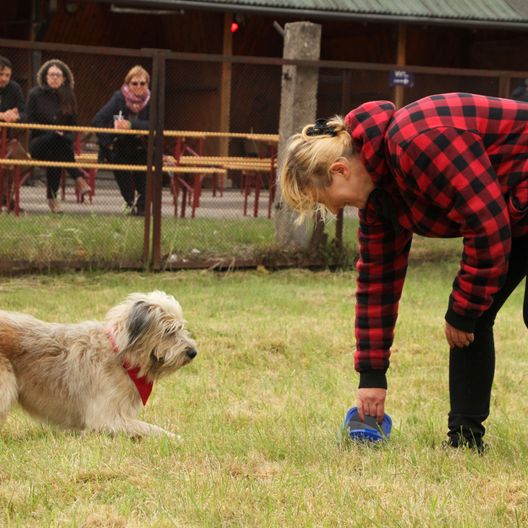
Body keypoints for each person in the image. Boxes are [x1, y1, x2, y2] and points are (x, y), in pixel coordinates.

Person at [280, 93, 528, 451]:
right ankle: (465, 442)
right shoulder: (380, 196)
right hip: (516, 210)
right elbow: (377, 283)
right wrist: (372, 377)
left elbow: (486, 225)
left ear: (340, 170)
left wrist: (462, 308)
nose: (333, 211)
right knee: (473, 317)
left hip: (508, 212)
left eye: (324, 200)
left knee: (471, 313)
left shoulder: (417, 141)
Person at [26, 59, 91, 213]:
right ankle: (78, 178)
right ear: (45, 77)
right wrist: (53, 133)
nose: (54, 78)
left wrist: (63, 136)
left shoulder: (69, 97)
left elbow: (73, 127)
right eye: (51, 74)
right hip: (38, 143)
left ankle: (53, 202)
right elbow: (30, 121)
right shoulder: (35, 94)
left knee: (56, 156)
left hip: (61, 145)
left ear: (64, 79)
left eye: (58, 75)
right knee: (56, 141)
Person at [92, 65, 151, 216]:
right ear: (128, 84)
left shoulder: (151, 100)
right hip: (120, 146)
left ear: (147, 84)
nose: (138, 86)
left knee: (144, 178)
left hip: (143, 147)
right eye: (134, 83)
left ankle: (143, 206)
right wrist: (108, 142)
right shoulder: (119, 98)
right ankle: (130, 203)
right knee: (122, 173)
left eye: (142, 83)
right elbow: (98, 120)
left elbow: (156, 124)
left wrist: (132, 125)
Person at [0, 55, 29, 210]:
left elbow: (25, 113)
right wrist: (1, 116)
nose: (4, 78)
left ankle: (7, 198)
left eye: (7, 75)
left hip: (7, 139)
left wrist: (15, 116)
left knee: (21, 161)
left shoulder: (15, 88)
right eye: (1, 74)